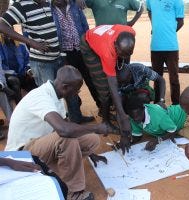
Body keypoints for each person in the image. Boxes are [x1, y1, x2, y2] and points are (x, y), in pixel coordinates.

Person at [5, 66, 115, 200]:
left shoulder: (58, 97)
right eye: (76, 90)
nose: (77, 93)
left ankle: (54, 168)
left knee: (92, 140)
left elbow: (67, 125)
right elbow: (65, 130)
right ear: (65, 87)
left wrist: (91, 154)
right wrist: (96, 128)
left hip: (40, 145)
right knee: (66, 138)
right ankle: (74, 193)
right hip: (22, 153)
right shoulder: (40, 97)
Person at [80, 24, 136, 154]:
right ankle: (106, 122)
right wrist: (122, 115)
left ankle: (114, 112)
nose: (122, 57)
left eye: (128, 53)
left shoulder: (130, 33)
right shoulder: (108, 52)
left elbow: (123, 57)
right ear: (116, 44)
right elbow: (112, 86)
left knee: (121, 75)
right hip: (89, 45)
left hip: (102, 39)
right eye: (120, 53)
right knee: (104, 88)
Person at [51, 0, 96, 123]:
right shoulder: (49, 10)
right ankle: (76, 117)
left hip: (82, 50)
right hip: (64, 54)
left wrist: (88, 46)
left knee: (91, 80)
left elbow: (85, 27)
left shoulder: (75, 5)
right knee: (71, 84)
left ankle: (103, 109)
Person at [0, 0, 62, 87]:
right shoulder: (21, 5)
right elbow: (2, 25)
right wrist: (31, 42)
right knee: (50, 95)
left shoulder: (49, 2)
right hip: (42, 63)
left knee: (69, 94)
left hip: (60, 58)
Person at [146, 0, 184, 105]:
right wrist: (155, 27)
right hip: (155, 46)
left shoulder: (178, 1)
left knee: (174, 78)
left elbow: (181, 22)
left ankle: (176, 105)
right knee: (157, 77)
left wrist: (168, 31)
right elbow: (150, 11)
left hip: (171, 47)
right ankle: (158, 104)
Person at [76, 0, 144, 27]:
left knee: (126, 46)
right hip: (102, 37)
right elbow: (79, 4)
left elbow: (141, 8)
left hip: (120, 37)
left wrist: (132, 22)